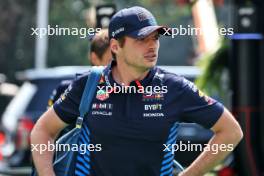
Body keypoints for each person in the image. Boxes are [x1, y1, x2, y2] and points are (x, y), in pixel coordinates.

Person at [31, 6, 243, 176]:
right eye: (142, 39)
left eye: (155, 38)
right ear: (115, 46)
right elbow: (42, 131)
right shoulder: (88, 84)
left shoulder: (175, 87)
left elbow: (231, 131)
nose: (152, 46)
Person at [47, 29, 111, 107]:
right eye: (111, 61)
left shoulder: (125, 90)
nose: (116, 65)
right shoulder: (68, 89)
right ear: (94, 58)